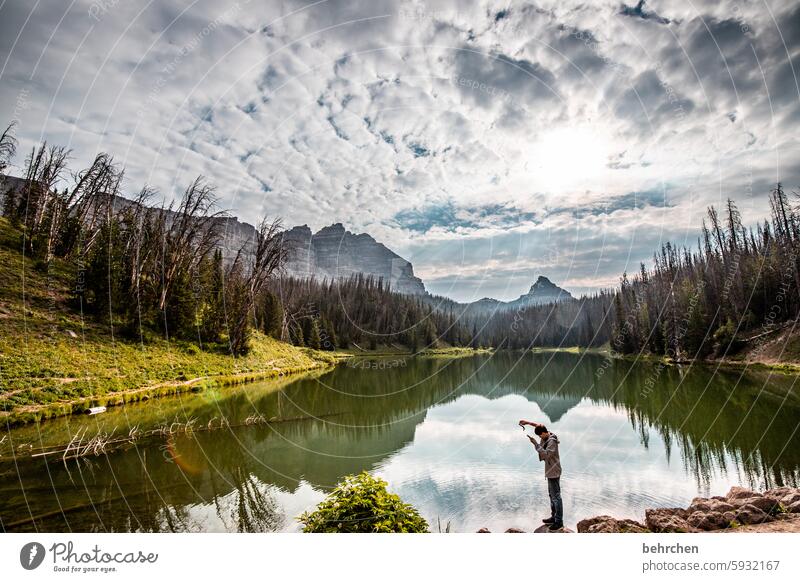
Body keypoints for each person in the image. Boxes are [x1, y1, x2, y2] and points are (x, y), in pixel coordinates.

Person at [519, 419, 563, 531]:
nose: (540, 437)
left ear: (544, 433)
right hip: (550, 471)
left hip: (554, 471)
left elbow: (547, 455)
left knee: (556, 497)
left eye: (540, 435)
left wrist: (535, 444)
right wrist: (527, 423)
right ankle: (554, 517)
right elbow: (538, 425)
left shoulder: (552, 441)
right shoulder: (547, 434)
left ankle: (559, 522)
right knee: (552, 495)